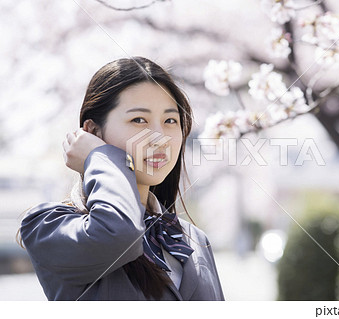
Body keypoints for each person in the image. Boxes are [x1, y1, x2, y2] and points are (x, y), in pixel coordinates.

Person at [19, 57, 225, 301]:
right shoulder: (49, 227)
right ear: (93, 132)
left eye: (170, 120)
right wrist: (99, 156)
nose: (160, 138)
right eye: (139, 120)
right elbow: (119, 233)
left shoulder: (194, 239)